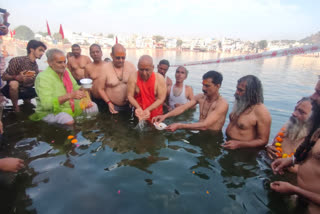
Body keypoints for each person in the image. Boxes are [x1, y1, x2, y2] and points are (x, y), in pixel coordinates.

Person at [270, 79, 320, 214]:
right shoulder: (316, 132)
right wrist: (291, 160)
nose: (313, 96)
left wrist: (294, 190)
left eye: (318, 93)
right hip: (300, 201)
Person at [30, 49, 98, 125]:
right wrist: (69, 96)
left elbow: (75, 87)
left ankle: (87, 129)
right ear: (50, 63)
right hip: (51, 111)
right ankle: (70, 134)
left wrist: (84, 88)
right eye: (59, 62)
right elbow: (46, 105)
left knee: (93, 106)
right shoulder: (43, 78)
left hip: (70, 106)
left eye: (64, 62)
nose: (63, 65)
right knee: (67, 119)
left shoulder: (66, 72)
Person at [153, 70, 228, 132]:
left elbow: (205, 125)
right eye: (203, 85)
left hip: (212, 137)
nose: (203, 88)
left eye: (207, 86)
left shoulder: (222, 104)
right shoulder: (200, 97)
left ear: (218, 86)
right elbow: (183, 108)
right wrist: (165, 116)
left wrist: (180, 125)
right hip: (199, 131)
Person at [223, 75, 271, 149]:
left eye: (240, 90)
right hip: (228, 144)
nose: (236, 93)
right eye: (237, 89)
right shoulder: (240, 104)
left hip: (244, 153)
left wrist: (239, 144)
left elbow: (263, 140)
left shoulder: (261, 111)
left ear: (251, 92)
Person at [266, 97, 312, 172]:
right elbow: (272, 145)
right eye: (295, 109)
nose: (294, 113)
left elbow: (313, 173)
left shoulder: (314, 143)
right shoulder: (286, 127)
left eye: (301, 112)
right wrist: (267, 147)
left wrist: (289, 165)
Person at [1, 40, 47, 112]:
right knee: (14, 83)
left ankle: (28, 104)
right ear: (31, 49)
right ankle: (16, 108)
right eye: (40, 50)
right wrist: (16, 77)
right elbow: (4, 77)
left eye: (43, 51)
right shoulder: (17, 60)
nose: (42, 53)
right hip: (11, 91)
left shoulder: (35, 65)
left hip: (26, 90)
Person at [90, 43, 136, 114]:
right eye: (118, 58)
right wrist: (108, 102)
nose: (121, 60)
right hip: (113, 106)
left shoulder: (131, 66)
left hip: (129, 105)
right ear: (111, 55)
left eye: (123, 58)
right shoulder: (105, 68)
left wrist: (133, 97)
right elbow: (100, 89)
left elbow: (136, 84)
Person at [127, 55, 166, 121]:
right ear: (138, 67)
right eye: (141, 70)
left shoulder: (159, 79)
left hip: (155, 112)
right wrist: (138, 108)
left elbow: (161, 98)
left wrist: (148, 110)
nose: (144, 73)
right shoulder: (133, 77)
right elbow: (130, 96)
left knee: (154, 129)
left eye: (147, 70)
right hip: (139, 112)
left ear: (153, 67)